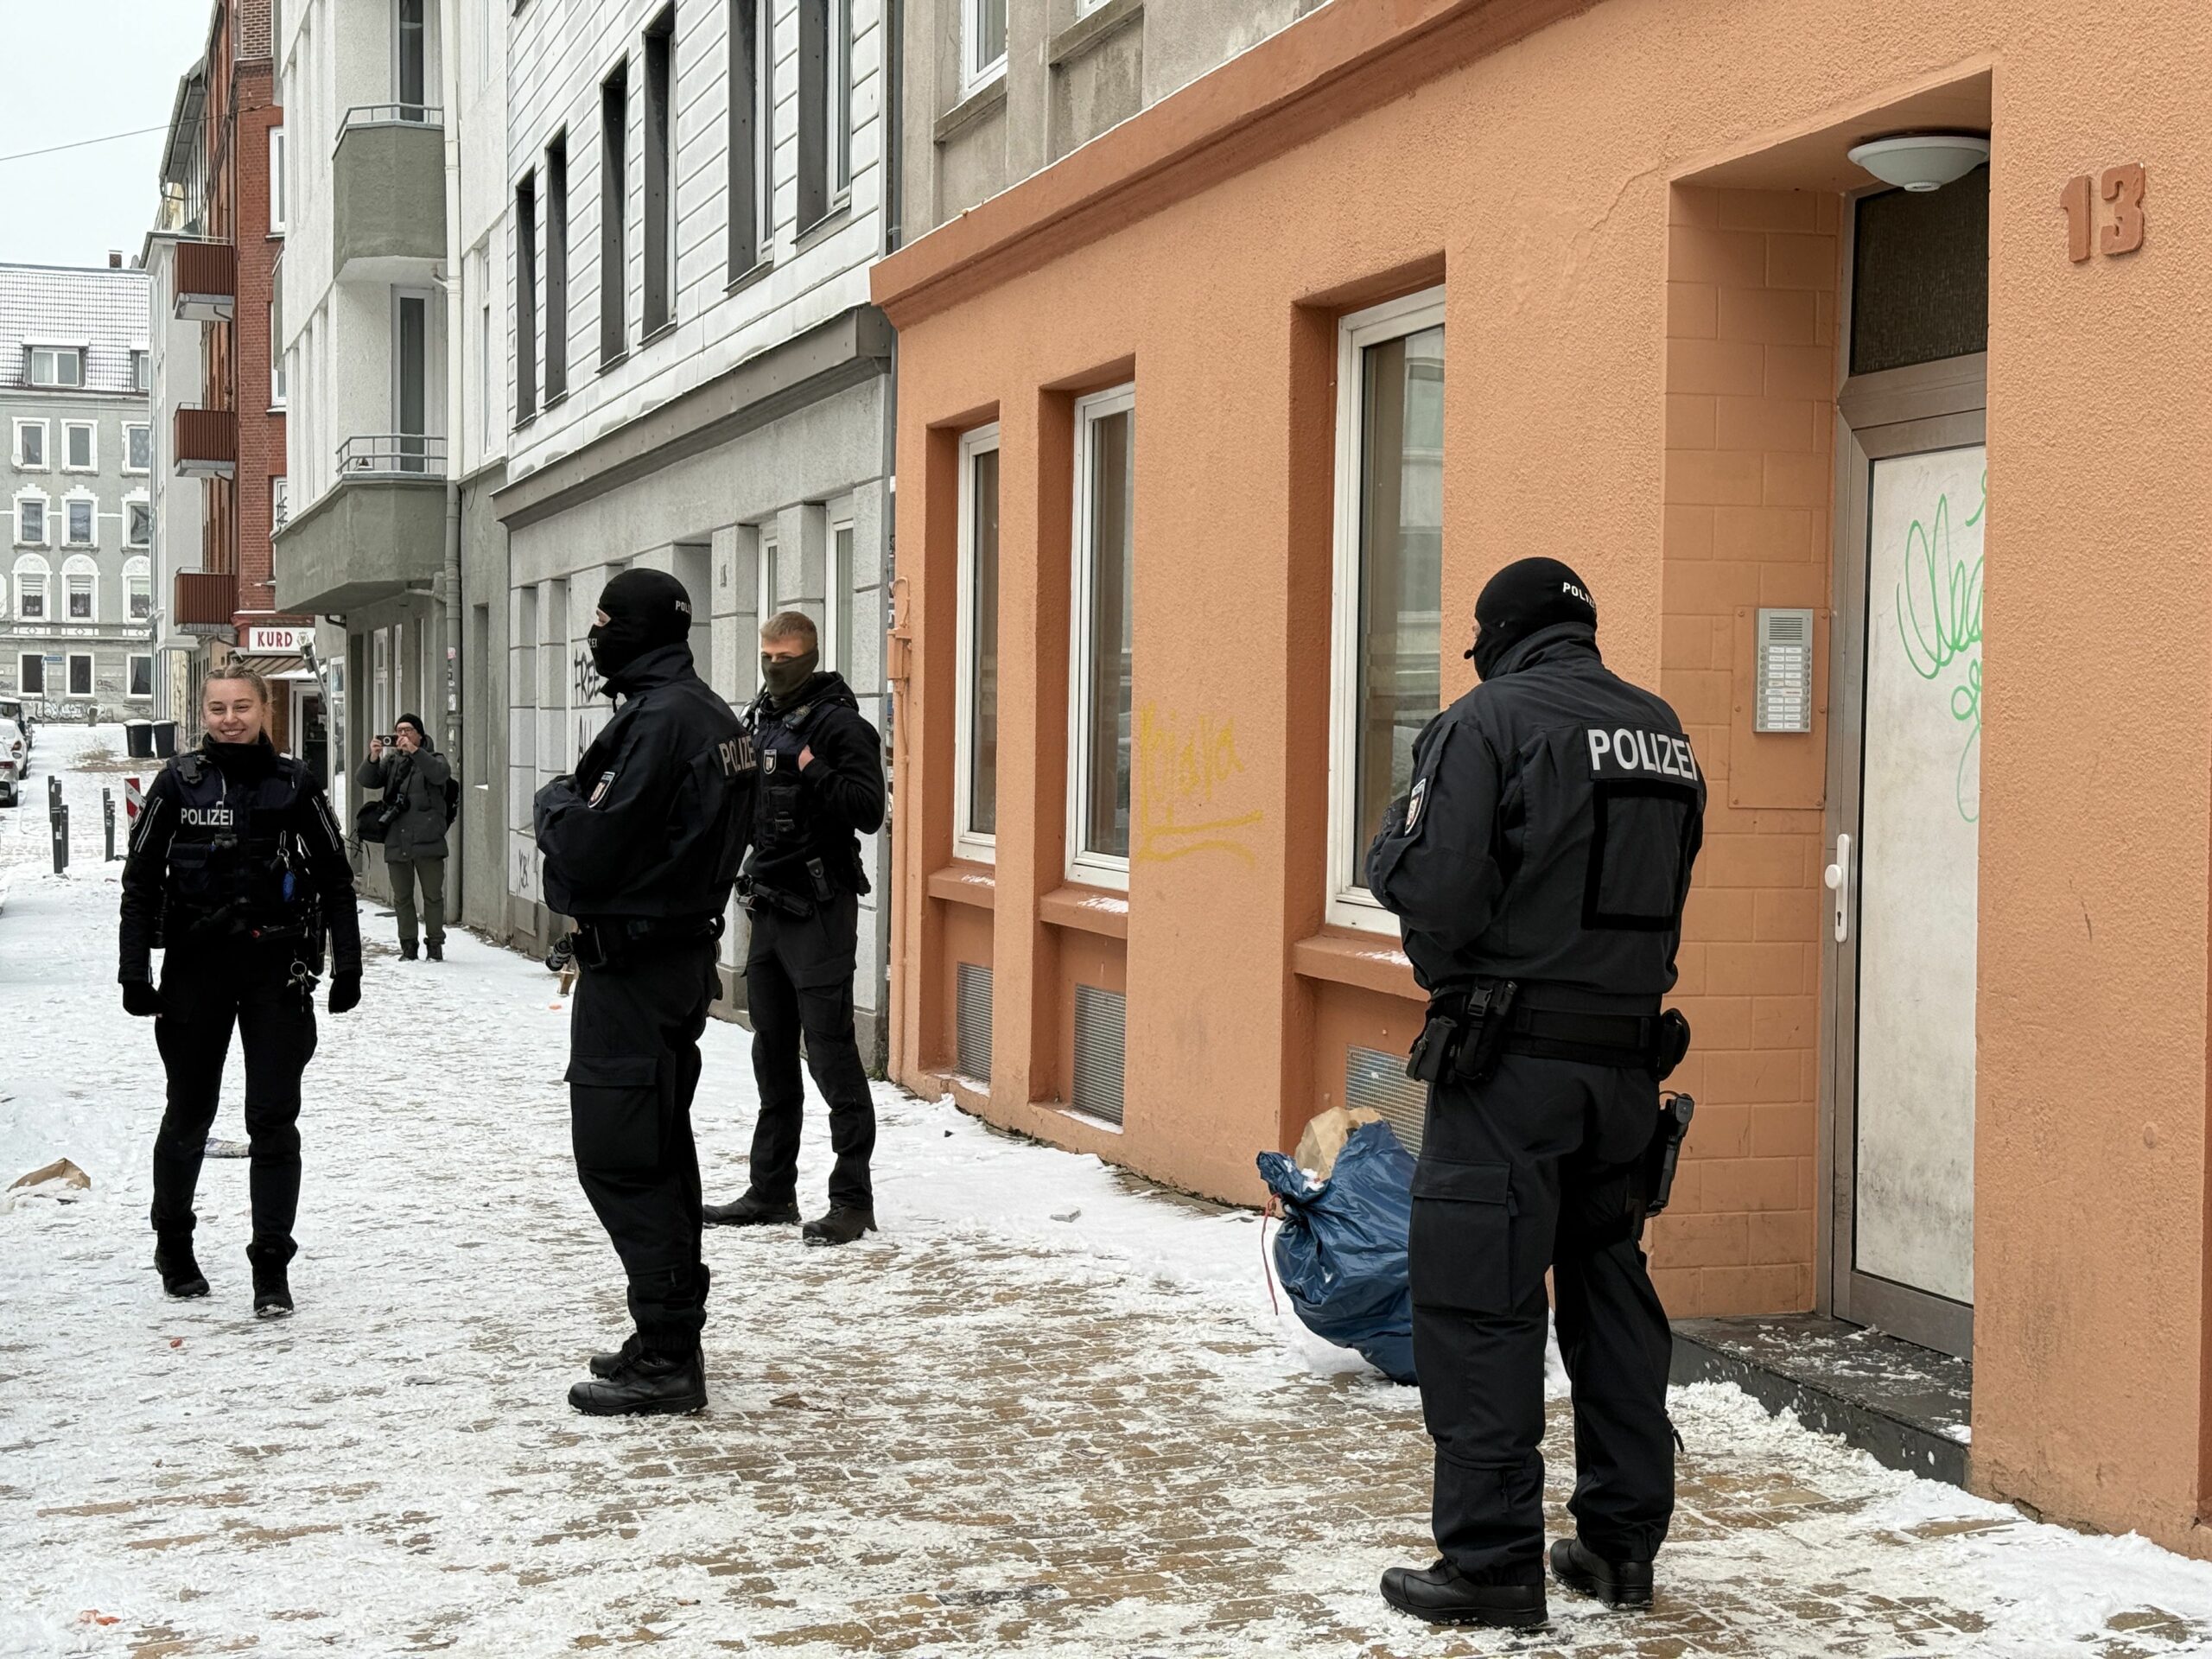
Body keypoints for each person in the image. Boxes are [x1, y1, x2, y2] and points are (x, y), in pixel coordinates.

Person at [1366, 557, 1705, 1630]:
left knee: (1479, 1310)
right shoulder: (1662, 732)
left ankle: (1491, 1564)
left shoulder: (1488, 722)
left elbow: (1435, 886)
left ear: (1498, 637)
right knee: (1610, 1299)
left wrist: (1418, 913)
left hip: (1507, 1069)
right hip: (1624, 1075)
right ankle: (1620, 1547)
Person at [535, 569, 748, 1416]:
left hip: (637, 965)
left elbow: (586, 853)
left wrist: (553, 802)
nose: (594, 638)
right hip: (669, 961)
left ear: (638, 628)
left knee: (624, 1160)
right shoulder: (706, 715)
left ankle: (667, 1354)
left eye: (603, 623)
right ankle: (665, 1334)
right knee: (658, 1153)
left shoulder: (661, 721)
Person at [118, 666, 364, 1319]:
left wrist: (349, 967)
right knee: (189, 1112)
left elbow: (337, 878)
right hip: (196, 971)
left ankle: (271, 1267)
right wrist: (133, 971)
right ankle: (174, 1247)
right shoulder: (178, 783)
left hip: (274, 971)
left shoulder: (294, 783)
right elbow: (140, 881)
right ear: (203, 713)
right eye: (218, 707)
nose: (230, 718)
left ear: (265, 709)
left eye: (243, 706)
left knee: (273, 1121)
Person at [702, 611, 886, 1248]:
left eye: (786, 656)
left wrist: (811, 766)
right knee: (771, 1055)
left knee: (831, 1056)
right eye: (767, 655)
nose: (774, 665)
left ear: (809, 657)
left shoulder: (840, 725)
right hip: (769, 910)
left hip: (820, 909)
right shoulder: (762, 719)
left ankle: (851, 1200)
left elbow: (868, 811)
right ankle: (771, 1191)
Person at [354, 714, 452, 961]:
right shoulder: (393, 762)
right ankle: (408, 945)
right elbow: (366, 780)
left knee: (432, 895)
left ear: (419, 733)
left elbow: (440, 775)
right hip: (397, 838)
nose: (403, 735)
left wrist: (416, 752)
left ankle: (435, 945)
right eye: (399, 731)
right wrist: (373, 757)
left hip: (428, 839)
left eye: (408, 730)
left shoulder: (435, 759)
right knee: (402, 897)